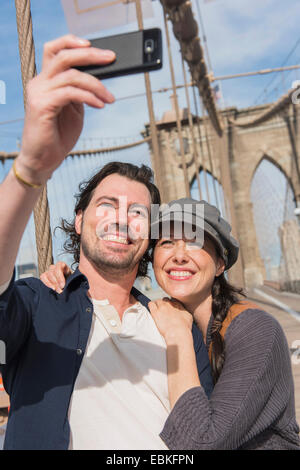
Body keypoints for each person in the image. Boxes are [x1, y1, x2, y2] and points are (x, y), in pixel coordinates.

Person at [0, 35, 212, 450]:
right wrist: (31, 168)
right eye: (107, 204)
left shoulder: (176, 325)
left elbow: (206, 436)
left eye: (137, 212)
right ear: (78, 220)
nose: (121, 217)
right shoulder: (38, 306)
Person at [45, 198, 300, 450]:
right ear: (154, 259)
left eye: (194, 243)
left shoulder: (254, 330)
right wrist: (71, 283)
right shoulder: (160, 321)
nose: (179, 256)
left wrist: (178, 335)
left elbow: (199, 444)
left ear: (220, 264)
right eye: (167, 243)